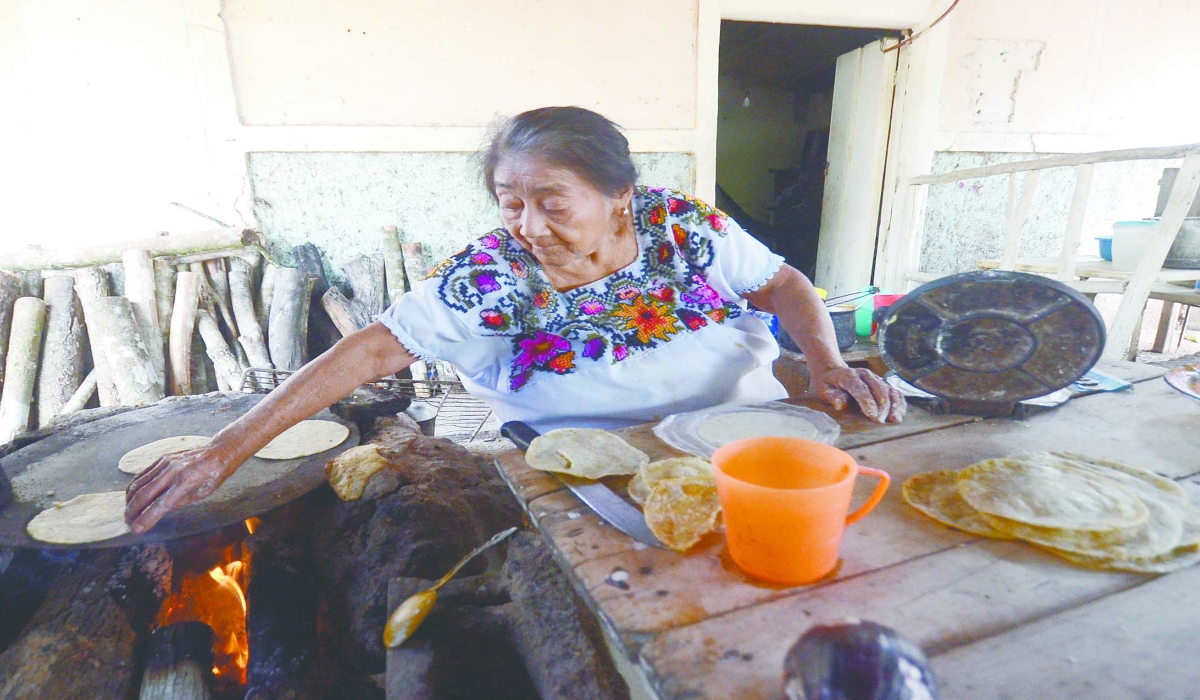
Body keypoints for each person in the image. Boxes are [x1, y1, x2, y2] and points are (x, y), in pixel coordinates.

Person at [125, 106, 905, 534]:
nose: (528, 224)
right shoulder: (491, 272)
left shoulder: (683, 226)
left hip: (746, 438)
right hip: (594, 472)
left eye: (551, 202)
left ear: (619, 195)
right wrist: (223, 451)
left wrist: (828, 362)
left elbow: (784, 283)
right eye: (510, 201)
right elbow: (371, 350)